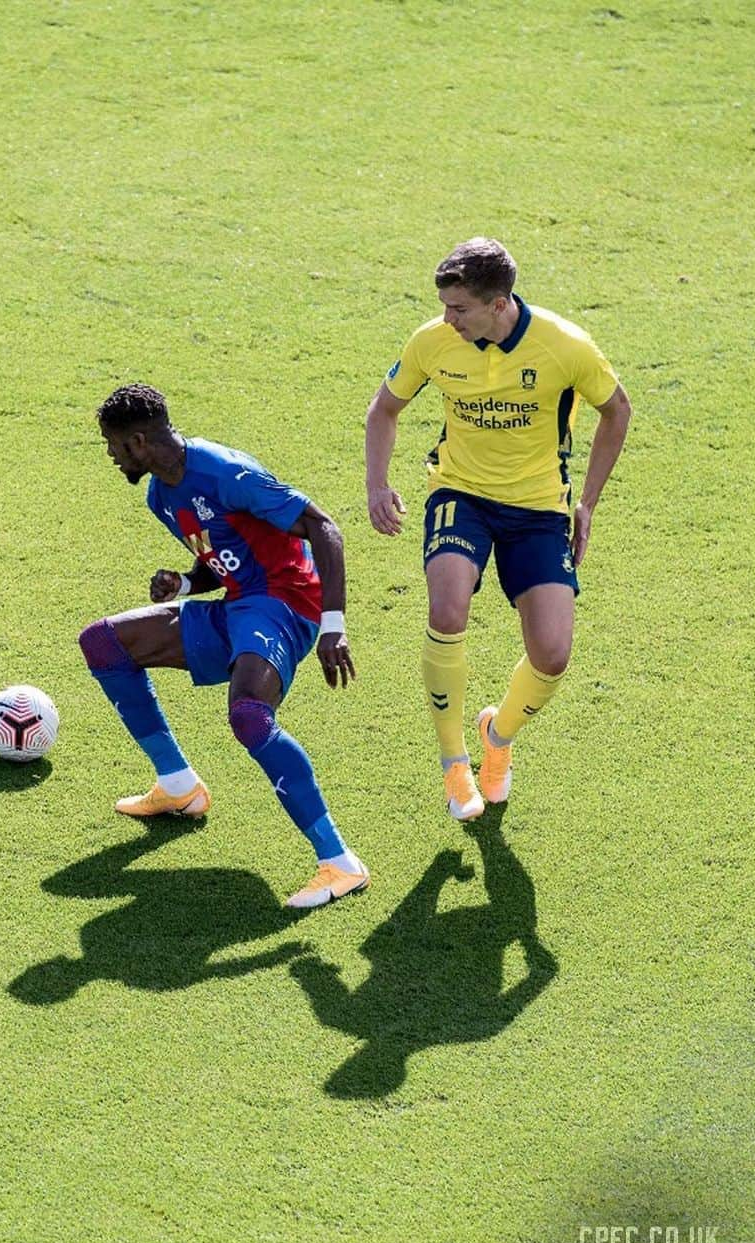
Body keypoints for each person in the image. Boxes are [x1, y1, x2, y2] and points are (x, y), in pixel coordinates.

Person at [365, 237, 632, 819]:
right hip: (460, 492)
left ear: (500, 302)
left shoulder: (563, 346)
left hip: (538, 508)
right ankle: (453, 763)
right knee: (447, 611)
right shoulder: (432, 342)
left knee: (553, 654)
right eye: (444, 306)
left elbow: (618, 411)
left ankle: (498, 737)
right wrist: (376, 485)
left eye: (459, 309)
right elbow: (383, 409)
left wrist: (585, 504)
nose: (446, 319)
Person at [79, 383, 369, 909]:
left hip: (285, 603)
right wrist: (187, 585)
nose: (110, 455)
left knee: (250, 718)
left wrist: (334, 624)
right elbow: (225, 558)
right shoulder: (159, 496)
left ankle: (339, 864)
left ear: (138, 442)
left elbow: (323, 527)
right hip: (238, 605)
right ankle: (178, 785)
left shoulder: (225, 473)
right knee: (103, 643)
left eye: (112, 444)